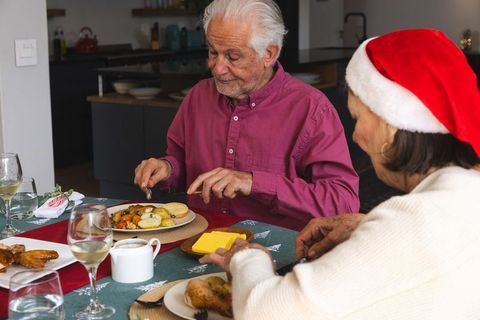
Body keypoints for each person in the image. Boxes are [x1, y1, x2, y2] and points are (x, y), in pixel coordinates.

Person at [200, 28, 480, 319]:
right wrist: (366, 228)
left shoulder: (411, 220)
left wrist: (249, 258)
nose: (356, 137)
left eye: (358, 118)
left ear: (392, 124)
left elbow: (267, 312)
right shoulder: (467, 193)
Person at [134, 0, 359, 230]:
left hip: (279, 256)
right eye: (213, 52)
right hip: (201, 245)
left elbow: (342, 203)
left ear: (269, 54)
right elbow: (182, 164)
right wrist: (167, 169)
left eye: (232, 57)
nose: (217, 68)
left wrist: (253, 183)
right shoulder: (198, 96)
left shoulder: (311, 108)